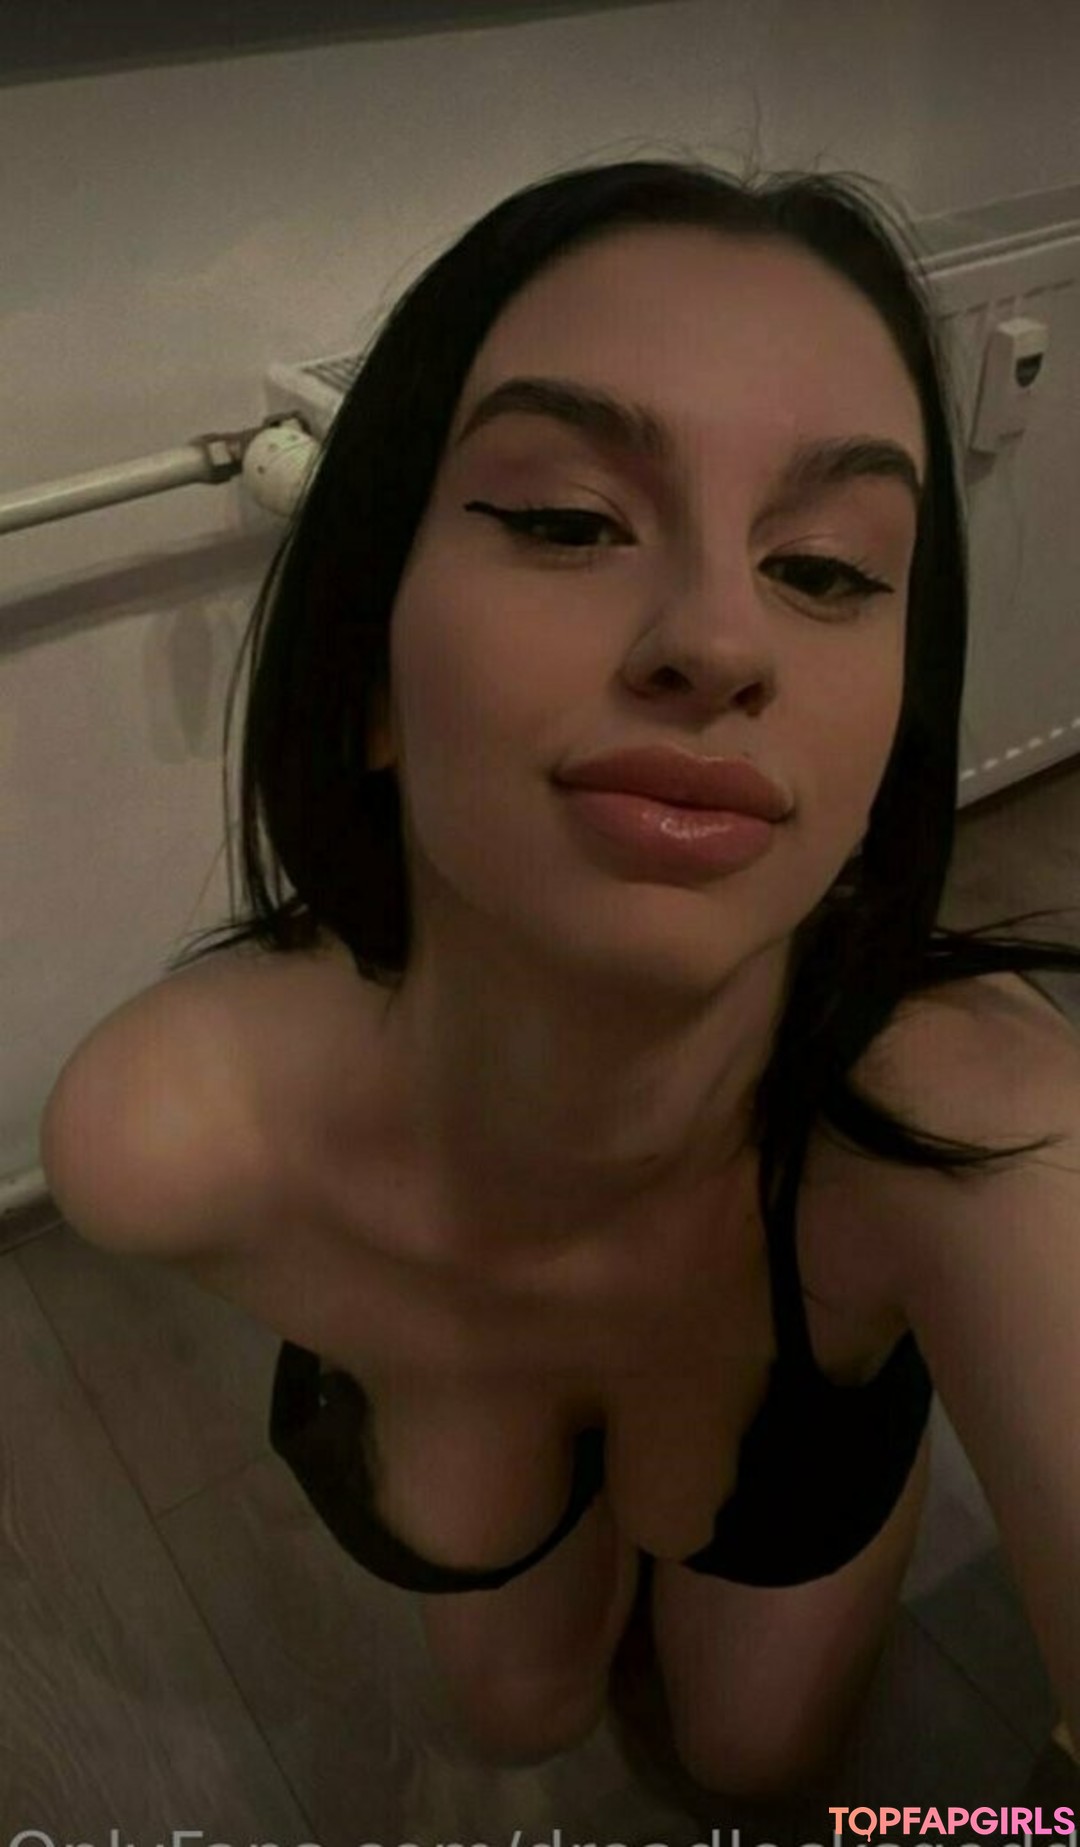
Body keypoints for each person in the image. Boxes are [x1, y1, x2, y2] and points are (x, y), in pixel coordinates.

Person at [40, 156, 1080, 1802]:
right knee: (522, 1714)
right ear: (370, 670)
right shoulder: (169, 1138)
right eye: (568, 520)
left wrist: (952, 1831)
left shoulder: (994, 1144)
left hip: (800, 1395)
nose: (720, 643)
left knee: (750, 1762)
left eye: (825, 569)